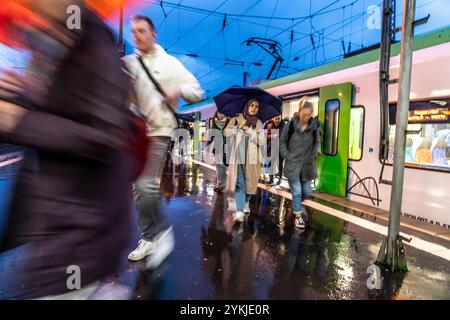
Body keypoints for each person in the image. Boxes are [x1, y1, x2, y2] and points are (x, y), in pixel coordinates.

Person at [0, 2, 134, 299]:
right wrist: (23, 94)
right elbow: (66, 112)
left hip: (82, 231)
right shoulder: (57, 41)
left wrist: (17, 119)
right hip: (62, 224)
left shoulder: (96, 47)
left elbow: (101, 137)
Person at [123, 15, 203, 265]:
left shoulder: (171, 64)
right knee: (138, 188)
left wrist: (178, 91)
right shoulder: (128, 63)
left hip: (160, 130)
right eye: (133, 31)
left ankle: (161, 232)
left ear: (153, 34)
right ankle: (148, 238)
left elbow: (197, 90)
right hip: (136, 131)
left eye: (142, 30)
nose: (137, 35)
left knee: (145, 184)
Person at [280, 97, 320, 229]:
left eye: (309, 114)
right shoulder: (290, 125)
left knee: (306, 192)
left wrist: (313, 155)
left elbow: (316, 144)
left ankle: (297, 205)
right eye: (304, 114)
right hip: (293, 164)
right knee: (296, 191)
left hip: (307, 166)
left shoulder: (314, 127)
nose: (307, 117)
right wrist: (287, 155)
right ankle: (298, 217)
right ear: (299, 111)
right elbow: (282, 142)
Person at [223, 99, 266, 223]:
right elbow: (226, 132)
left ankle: (246, 201)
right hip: (238, 156)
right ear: (247, 106)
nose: (253, 108)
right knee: (240, 183)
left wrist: (249, 131)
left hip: (252, 159)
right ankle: (240, 211)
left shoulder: (258, 123)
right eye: (252, 105)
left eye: (256, 106)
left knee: (251, 184)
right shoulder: (237, 118)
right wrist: (238, 127)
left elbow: (262, 141)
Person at [208, 111, 230, 193]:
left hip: (227, 147)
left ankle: (228, 185)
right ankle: (221, 185)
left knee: (224, 166)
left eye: (223, 113)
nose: (221, 114)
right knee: (219, 167)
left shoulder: (230, 122)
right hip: (217, 147)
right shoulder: (214, 122)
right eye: (219, 113)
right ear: (216, 113)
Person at [264, 115, 286, 186]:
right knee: (271, 163)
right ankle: (271, 179)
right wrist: (270, 133)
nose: (277, 120)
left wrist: (272, 134)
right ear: (273, 118)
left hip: (281, 147)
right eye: (275, 119)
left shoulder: (283, 125)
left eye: (278, 119)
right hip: (273, 147)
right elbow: (265, 136)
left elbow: (280, 135)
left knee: (279, 164)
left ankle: (279, 179)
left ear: (281, 118)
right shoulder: (270, 125)